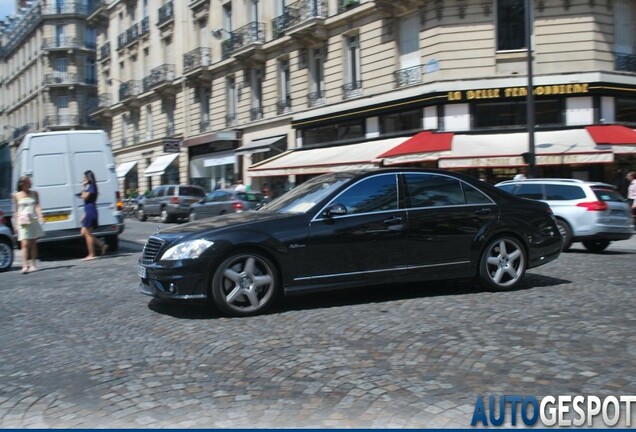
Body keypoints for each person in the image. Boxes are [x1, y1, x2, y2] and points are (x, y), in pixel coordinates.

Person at [13, 176, 45, 273]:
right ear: (22, 184)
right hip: (22, 221)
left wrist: (40, 216)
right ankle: (24, 266)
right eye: (28, 182)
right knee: (24, 244)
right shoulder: (17, 195)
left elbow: (37, 206)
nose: (30, 184)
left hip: (32, 220)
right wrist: (15, 224)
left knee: (33, 242)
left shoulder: (34, 193)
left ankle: (33, 264)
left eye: (30, 182)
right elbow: (16, 210)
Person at [81, 170, 108, 261]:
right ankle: (101, 245)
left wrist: (84, 187)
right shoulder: (91, 187)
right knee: (84, 232)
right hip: (88, 210)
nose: (83, 179)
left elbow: (84, 197)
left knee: (87, 233)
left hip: (91, 211)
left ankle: (91, 254)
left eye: (85, 178)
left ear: (88, 178)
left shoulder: (91, 187)